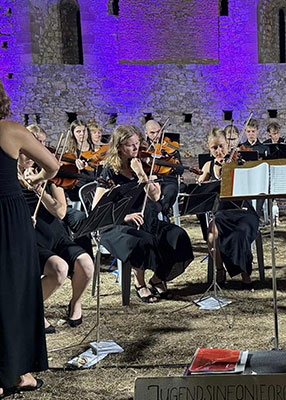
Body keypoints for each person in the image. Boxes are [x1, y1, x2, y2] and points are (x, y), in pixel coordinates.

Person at [0, 80, 59, 396]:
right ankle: (16, 373)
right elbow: (52, 165)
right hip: (8, 216)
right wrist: (37, 178)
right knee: (15, 290)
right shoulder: (10, 130)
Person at [92, 125, 193, 303]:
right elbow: (97, 208)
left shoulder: (144, 166)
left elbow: (155, 197)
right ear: (119, 147)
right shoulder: (109, 171)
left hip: (146, 220)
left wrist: (142, 175)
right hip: (117, 225)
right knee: (142, 240)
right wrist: (125, 217)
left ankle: (157, 279)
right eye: (130, 145)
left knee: (177, 235)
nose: (135, 148)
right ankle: (139, 283)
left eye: (137, 143)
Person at [20, 125, 94, 333]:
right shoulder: (9, 175)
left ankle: (75, 303)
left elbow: (60, 212)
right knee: (59, 269)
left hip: (55, 234)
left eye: (43, 143)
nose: (41, 148)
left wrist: (40, 189)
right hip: (30, 239)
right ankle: (33, 308)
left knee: (86, 264)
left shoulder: (49, 173)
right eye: (36, 142)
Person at [197, 128, 258, 289]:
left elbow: (250, 185)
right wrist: (201, 181)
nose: (219, 151)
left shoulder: (237, 161)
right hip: (222, 213)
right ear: (209, 148)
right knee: (212, 236)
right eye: (214, 148)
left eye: (221, 146)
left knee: (240, 232)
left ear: (227, 144)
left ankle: (245, 273)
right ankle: (220, 270)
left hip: (244, 211)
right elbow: (200, 188)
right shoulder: (209, 166)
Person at [144, 119, 182, 217]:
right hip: (150, 180)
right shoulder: (143, 147)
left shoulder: (170, 147)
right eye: (152, 133)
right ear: (146, 133)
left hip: (168, 179)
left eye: (158, 132)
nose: (157, 135)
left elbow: (180, 170)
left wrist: (172, 162)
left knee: (170, 191)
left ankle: (163, 214)